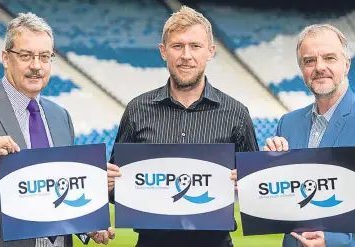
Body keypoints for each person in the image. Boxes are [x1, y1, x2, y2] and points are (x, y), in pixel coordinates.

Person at [0, 12, 116, 247]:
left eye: (44, 57)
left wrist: (85, 226)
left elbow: (55, 192)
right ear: (5, 58)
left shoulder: (60, 116)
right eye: (26, 56)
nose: (36, 66)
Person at [106, 5, 259, 247]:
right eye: (177, 46)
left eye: (195, 46)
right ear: (163, 51)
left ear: (210, 51)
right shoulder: (137, 110)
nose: (186, 55)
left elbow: (257, 192)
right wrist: (110, 184)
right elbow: (114, 186)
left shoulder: (236, 114)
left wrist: (248, 183)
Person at [263, 24, 355, 247]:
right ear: (302, 69)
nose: (319, 67)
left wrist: (334, 241)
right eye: (309, 61)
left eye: (329, 58)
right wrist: (264, 172)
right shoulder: (288, 123)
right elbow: (284, 203)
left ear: (347, 65)